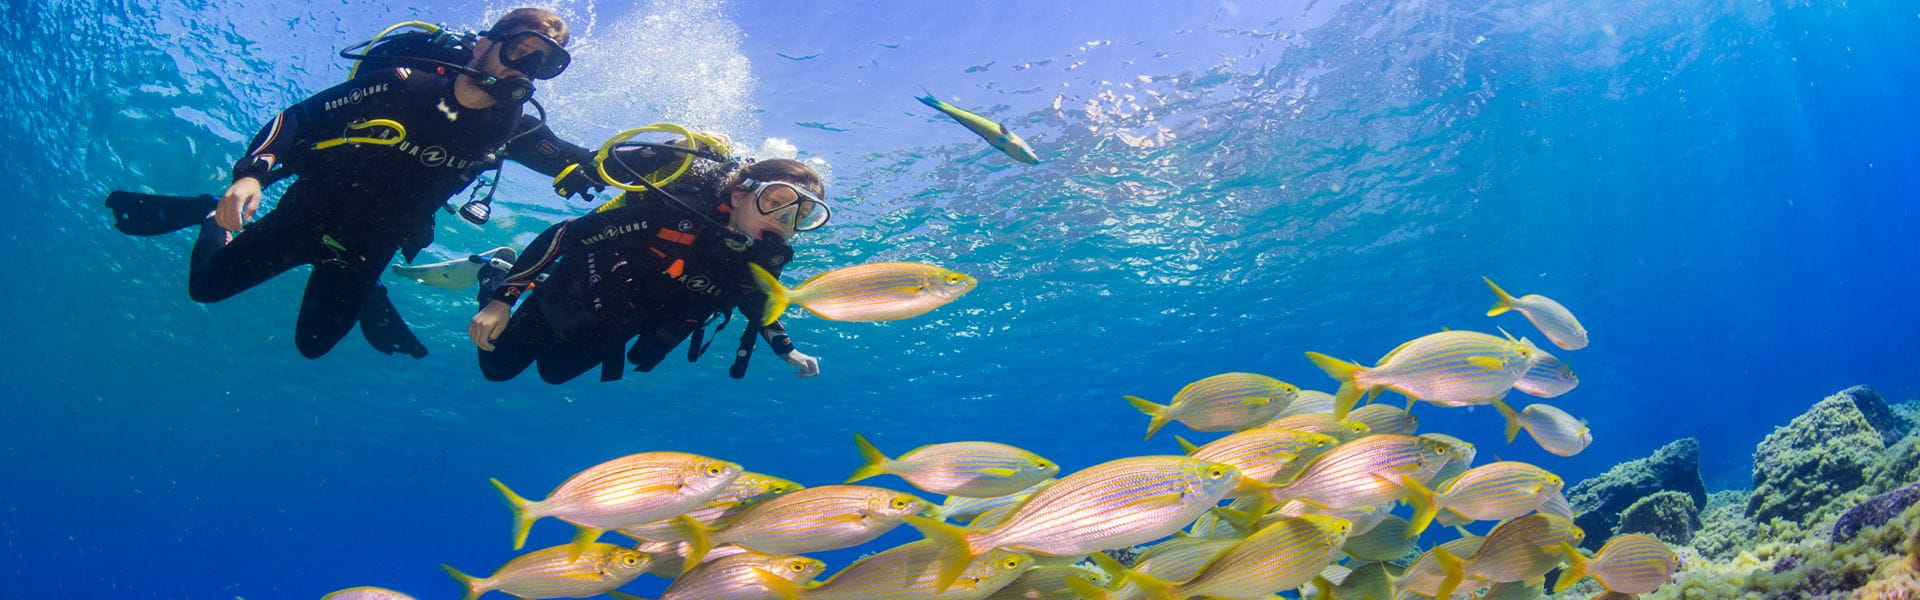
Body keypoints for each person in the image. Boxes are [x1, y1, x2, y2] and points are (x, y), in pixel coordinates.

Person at [105, 8, 601, 359]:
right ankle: (211, 211)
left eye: (545, 64)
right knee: (206, 289)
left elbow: (593, 163)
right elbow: (300, 119)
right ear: (484, 44)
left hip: (370, 247)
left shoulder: (517, 127)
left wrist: (657, 162)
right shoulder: (402, 82)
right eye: (520, 52)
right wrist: (251, 175)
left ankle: (364, 289)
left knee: (313, 347)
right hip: (306, 214)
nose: (527, 72)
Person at [469, 154, 828, 384]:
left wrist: (785, 348)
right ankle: (496, 272)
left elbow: (758, 303)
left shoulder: (766, 259)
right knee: (496, 370)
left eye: (801, 215)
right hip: (568, 295)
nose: (784, 219)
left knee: (554, 374)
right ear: (739, 196)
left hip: (617, 329)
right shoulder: (675, 215)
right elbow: (565, 234)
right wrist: (501, 301)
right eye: (775, 202)